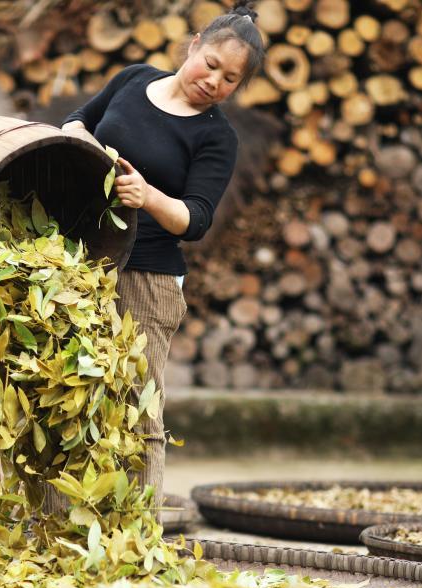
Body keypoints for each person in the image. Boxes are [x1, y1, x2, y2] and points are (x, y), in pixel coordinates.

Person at [61, 1, 266, 496]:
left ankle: (134, 541)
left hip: (146, 279)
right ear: (193, 45)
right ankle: (58, 531)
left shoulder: (217, 136)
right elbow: (78, 120)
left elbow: (195, 219)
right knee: (65, 401)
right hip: (79, 266)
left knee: (136, 412)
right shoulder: (133, 79)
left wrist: (148, 195)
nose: (215, 81)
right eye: (211, 64)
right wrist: (79, 142)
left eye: (230, 79)